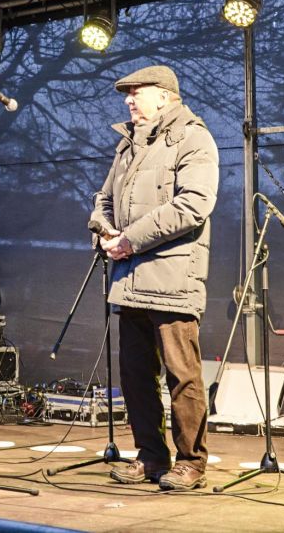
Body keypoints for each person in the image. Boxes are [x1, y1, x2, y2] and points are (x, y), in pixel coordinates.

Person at [90, 65, 219, 491]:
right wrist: (103, 229)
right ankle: (150, 456)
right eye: (126, 94)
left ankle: (191, 462)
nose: (129, 100)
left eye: (136, 92)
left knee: (183, 375)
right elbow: (105, 198)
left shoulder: (193, 138)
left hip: (172, 279)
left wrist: (130, 239)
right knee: (135, 375)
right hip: (130, 280)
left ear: (164, 95)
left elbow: (193, 205)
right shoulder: (129, 143)